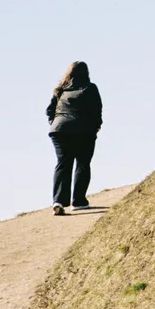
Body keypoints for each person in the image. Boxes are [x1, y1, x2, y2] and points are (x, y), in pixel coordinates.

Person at [45, 61, 103, 215]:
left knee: (63, 164)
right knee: (83, 164)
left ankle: (58, 201)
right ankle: (78, 201)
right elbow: (97, 108)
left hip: (59, 130)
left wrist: (55, 122)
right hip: (83, 130)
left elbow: (49, 110)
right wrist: (97, 126)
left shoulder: (60, 89)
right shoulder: (90, 88)